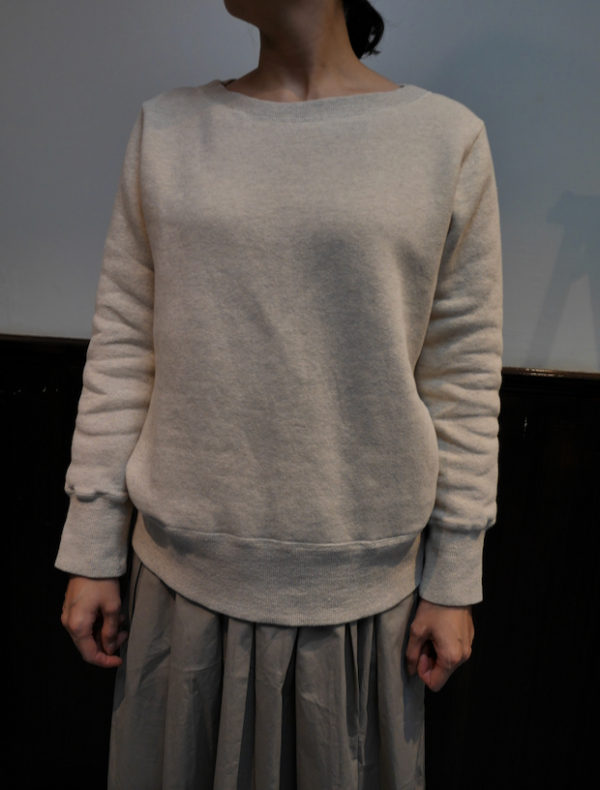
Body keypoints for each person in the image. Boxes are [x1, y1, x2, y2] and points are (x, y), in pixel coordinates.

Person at [57, 1, 503, 788]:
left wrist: (456, 573)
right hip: (180, 594)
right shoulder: (168, 131)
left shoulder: (444, 140)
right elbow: (124, 345)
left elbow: (460, 375)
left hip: (363, 606)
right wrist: (92, 545)